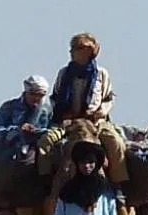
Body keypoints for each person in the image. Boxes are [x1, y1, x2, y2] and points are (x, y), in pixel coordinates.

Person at [41, 33, 130, 187]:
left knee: (116, 143)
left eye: (76, 48)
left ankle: (118, 186)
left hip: (96, 123)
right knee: (45, 142)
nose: (72, 52)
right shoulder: (64, 73)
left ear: (89, 51)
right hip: (69, 122)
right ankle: (44, 184)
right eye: (72, 49)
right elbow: (54, 98)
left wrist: (99, 112)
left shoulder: (101, 74)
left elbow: (109, 98)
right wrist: (64, 114)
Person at [0, 75, 52, 166]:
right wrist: (18, 130)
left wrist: (37, 132)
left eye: (40, 95)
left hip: (38, 160)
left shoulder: (49, 111)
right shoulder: (9, 107)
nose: (36, 98)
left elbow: (55, 131)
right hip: (8, 160)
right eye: (32, 94)